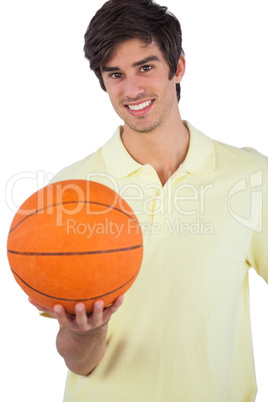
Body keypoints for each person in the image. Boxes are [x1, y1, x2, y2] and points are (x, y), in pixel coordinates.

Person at [30, 0, 268, 401]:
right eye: (115, 74)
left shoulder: (250, 178)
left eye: (145, 67)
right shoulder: (68, 192)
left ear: (177, 68)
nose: (132, 90)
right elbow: (78, 360)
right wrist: (85, 333)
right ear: (102, 82)